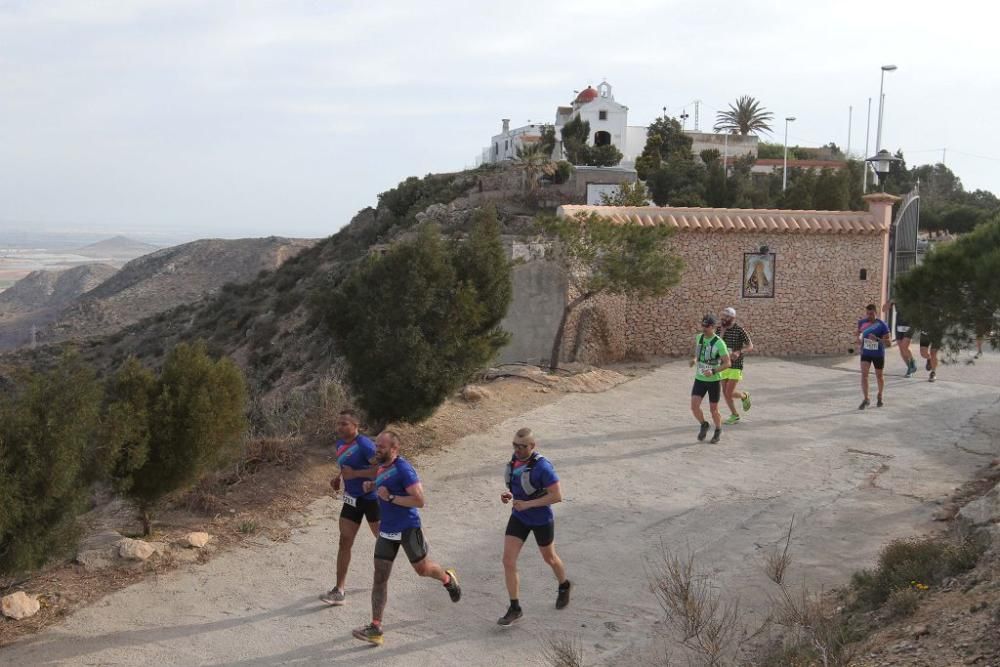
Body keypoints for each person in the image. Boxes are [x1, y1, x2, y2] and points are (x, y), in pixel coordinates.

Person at [352, 430, 461, 647]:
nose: (377, 449)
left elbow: (419, 500)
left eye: (381, 446)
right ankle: (376, 627)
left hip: (408, 529)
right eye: (376, 446)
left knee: (422, 570)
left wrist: (390, 497)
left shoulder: (404, 469)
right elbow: (385, 483)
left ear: (394, 449)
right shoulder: (382, 465)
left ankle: (448, 578)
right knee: (380, 577)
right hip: (387, 530)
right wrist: (372, 486)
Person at [498, 428, 570, 627]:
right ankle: (515, 608)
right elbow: (520, 489)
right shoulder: (514, 462)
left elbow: (557, 496)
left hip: (540, 520)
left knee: (550, 558)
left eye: (523, 447)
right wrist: (509, 496)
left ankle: (564, 585)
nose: (518, 450)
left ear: (532, 446)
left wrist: (528, 504)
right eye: (515, 445)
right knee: (508, 561)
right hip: (519, 517)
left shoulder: (543, 467)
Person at [320, 410, 379, 607]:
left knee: (385, 539)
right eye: (338, 423)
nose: (340, 427)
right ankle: (339, 590)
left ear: (356, 426)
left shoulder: (365, 444)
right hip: (351, 499)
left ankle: (415, 547)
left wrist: (355, 474)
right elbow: (346, 466)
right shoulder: (339, 445)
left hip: (371, 499)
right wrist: (339, 478)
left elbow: (380, 470)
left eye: (345, 423)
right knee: (344, 541)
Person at [690, 314, 731, 443]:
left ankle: (718, 429)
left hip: (713, 381)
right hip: (700, 379)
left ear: (713, 327)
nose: (703, 328)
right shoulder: (699, 338)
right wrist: (695, 359)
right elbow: (698, 353)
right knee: (694, 407)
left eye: (706, 326)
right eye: (702, 325)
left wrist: (713, 371)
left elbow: (727, 363)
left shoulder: (719, 343)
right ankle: (704, 424)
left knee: (714, 410)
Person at [717, 307, 753, 425]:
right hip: (723, 364)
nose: (723, 319)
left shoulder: (739, 330)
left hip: (736, 364)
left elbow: (750, 346)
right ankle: (735, 415)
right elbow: (717, 345)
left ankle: (744, 396)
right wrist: (721, 333)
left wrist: (739, 352)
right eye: (723, 316)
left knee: (729, 392)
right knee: (725, 393)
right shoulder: (719, 329)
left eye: (726, 317)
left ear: (733, 318)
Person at [857, 304, 892, 408]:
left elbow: (889, 343)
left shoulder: (882, 325)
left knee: (879, 376)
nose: (869, 316)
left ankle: (880, 395)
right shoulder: (862, 323)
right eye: (867, 313)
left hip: (878, 354)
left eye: (871, 314)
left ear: (876, 313)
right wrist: (858, 339)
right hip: (866, 353)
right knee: (864, 375)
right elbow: (859, 334)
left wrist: (877, 339)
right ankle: (866, 398)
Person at [886, 302, 917, 377]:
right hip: (899, 324)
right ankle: (909, 367)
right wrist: (890, 302)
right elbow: (884, 309)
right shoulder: (896, 297)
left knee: (904, 346)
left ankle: (912, 361)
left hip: (910, 323)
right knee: (901, 348)